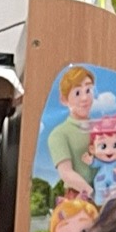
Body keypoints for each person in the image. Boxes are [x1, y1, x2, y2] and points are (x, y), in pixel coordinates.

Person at [46, 64, 97, 194]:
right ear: (64, 99)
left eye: (88, 90)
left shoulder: (100, 128)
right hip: (79, 196)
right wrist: (93, 194)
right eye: (77, 93)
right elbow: (66, 173)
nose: (84, 98)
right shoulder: (59, 134)